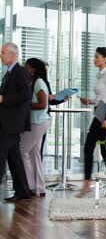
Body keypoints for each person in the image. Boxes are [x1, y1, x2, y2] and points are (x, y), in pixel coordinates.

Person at [76, 47, 106, 198]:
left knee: (98, 149)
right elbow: (102, 98)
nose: (95, 59)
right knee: (100, 149)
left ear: (105, 59)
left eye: (97, 57)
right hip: (100, 111)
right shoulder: (100, 76)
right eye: (95, 57)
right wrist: (90, 101)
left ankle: (94, 184)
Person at [0, 43, 32, 201]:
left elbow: (26, 95)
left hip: (12, 124)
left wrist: (3, 98)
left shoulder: (21, 72)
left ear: (12, 55)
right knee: (14, 159)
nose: (1, 55)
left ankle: (23, 191)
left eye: (3, 52)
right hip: (8, 122)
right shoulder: (9, 73)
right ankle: (23, 192)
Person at [20, 58, 51, 197]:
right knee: (34, 153)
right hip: (38, 122)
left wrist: (25, 104)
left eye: (26, 67)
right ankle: (39, 187)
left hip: (38, 122)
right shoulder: (35, 82)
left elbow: (43, 104)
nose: (24, 69)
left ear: (33, 69)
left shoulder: (38, 83)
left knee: (22, 150)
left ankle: (29, 186)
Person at [39, 62, 68, 161]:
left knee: (40, 148)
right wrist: (48, 97)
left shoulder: (46, 83)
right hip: (36, 117)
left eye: (47, 71)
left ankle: (38, 172)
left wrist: (62, 99)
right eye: (44, 70)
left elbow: (50, 101)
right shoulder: (34, 82)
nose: (46, 72)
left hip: (44, 117)